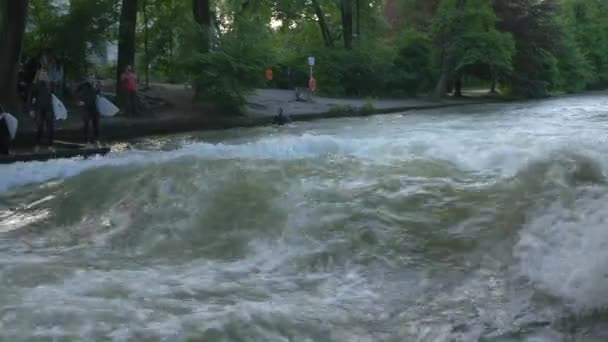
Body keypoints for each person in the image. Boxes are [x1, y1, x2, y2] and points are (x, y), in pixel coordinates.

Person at [30, 65, 55, 152]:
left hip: (49, 107)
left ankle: (50, 145)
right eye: (42, 73)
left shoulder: (49, 84)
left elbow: (53, 95)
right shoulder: (35, 85)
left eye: (45, 73)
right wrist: (32, 109)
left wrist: (48, 81)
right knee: (40, 126)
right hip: (39, 107)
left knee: (50, 126)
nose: (43, 75)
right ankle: (37, 144)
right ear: (39, 74)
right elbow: (32, 97)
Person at [76, 73, 102, 147]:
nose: (92, 79)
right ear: (87, 78)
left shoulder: (95, 85)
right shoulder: (83, 85)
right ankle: (86, 141)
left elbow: (98, 93)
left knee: (96, 124)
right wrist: (78, 101)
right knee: (86, 124)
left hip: (94, 107)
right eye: (90, 78)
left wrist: (98, 87)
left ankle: (96, 140)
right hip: (85, 107)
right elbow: (75, 92)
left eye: (93, 78)